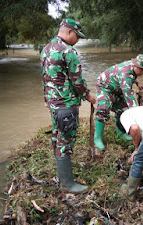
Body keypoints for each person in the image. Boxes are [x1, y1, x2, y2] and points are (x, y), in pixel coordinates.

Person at [40, 18, 96, 193]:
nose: (78, 40)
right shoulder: (68, 51)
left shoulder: (46, 49)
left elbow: (45, 78)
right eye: (77, 36)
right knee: (65, 142)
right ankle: (67, 184)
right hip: (66, 104)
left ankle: (62, 176)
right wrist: (88, 96)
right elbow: (77, 81)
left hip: (53, 104)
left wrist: (47, 101)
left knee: (57, 137)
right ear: (69, 32)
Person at [94, 54, 143, 151]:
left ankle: (119, 132)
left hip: (118, 87)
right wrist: (136, 112)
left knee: (123, 110)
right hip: (105, 86)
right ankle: (97, 138)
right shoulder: (125, 74)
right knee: (103, 108)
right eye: (141, 69)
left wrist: (137, 82)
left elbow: (133, 76)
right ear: (135, 65)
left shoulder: (132, 68)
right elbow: (128, 94)